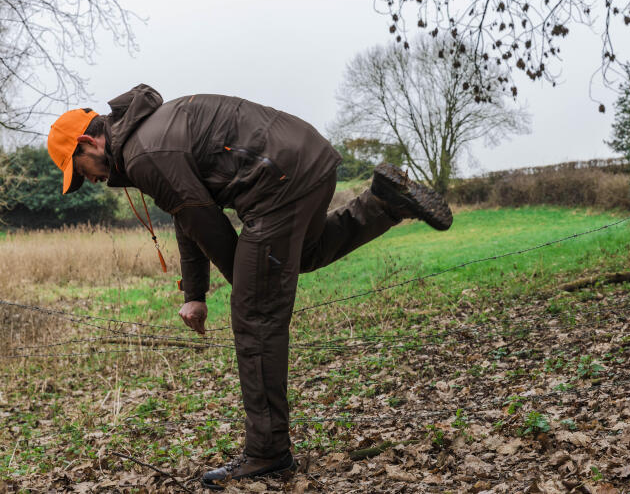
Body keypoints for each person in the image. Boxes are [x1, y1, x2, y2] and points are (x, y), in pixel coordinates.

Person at [46, 84, 452, 489]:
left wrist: (248, 294)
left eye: (79, 169)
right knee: (305, 255)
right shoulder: (148, 134)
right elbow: (189, 214)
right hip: (309, 159)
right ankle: (383, 203)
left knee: (255, 318)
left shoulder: (144, 153)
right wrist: (195, 294)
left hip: (277, 182)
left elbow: (206, 223)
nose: (90, 180)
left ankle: (267, 451)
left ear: (88, 141)